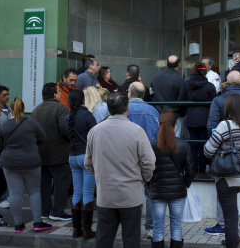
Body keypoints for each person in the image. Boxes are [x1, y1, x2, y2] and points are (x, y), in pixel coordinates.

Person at [85, 92, 156, 248]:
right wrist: (142, 178)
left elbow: (88, 163)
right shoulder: (137, 131)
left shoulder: (95, 131)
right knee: (131, 240)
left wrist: (102, 176)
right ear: (127, 108)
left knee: (103, 239)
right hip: (131, 195)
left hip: (106, 195)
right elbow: (149, 162)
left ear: (108, 108)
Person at [205, 71, 240, 238]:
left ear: (227, 82)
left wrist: (218, 146)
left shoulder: (219, 100)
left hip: (224, 155)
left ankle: (222, 225)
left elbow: (211, 127)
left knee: (224, 190)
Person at [0, 98, 52, 233]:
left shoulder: (4, 125)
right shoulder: (32, 123)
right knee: (34, 192)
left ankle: (18, 225)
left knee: (15, 193)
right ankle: (38, 223)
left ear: (11, 110)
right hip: (31, 162)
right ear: (23, 109)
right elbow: (43, 138)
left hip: (10, 163)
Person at [149, 109, 194, 248]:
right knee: (176, 225)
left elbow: (145, 168)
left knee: (157, 226)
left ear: (158, 124)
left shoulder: (151, 144)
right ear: (175, 126)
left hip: (157, 190)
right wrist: (185, 184)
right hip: (178, 190)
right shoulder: (183, 145)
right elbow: (190, 170)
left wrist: (149, 184)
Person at [31, 83, 72, 221]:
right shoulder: (61, 108)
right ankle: (58, 211)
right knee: (61, 181)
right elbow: (65, 128)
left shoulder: (36, 110)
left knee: (44, 183)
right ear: (55, 95)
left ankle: (45, 210)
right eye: (59, 93)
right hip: (59, 153)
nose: (61, 95)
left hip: (40, 153)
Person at [127, 81, 160, 239]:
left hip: (126, 157)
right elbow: (157, 135)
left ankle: (130, 228)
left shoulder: (123, 110)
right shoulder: (153, 110)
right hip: (148, 156)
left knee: (128, 192)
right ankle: (151, 229)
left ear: (130, 93)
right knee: (150, 193)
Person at [65, 89, 97, 240]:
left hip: (72, 157)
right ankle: (87, 230)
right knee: (88, 193)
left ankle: (76, 229)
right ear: (83, 100)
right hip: (86, 157)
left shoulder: (67, 118)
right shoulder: (87, 115)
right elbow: (96, 135)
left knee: (77, 192)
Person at [178, 62, 217, 178]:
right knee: (204, 145)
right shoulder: (210, 86)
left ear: (194, 70)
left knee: (194, 145)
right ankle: (202, 171)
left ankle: (193, 171)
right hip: (205, 119)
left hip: (191, 118)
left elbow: (180, 101)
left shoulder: (186, 84)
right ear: (205, 72)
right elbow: (214, 104)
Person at [150, 55, 185, 137]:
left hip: (159, 116)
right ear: (178, 65)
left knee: (160, 142)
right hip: (175, 116)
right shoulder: (180, 80)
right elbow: (183, 100)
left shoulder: (156, 77)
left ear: (166, 63)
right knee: (175, 143)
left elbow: (151, 95)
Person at [0, 85, 12, 208]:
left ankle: (2, 198)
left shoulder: (8, 109)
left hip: (6, 147)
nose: (7, 97)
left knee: (3, 176)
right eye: (4, 95)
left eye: (8, 94)